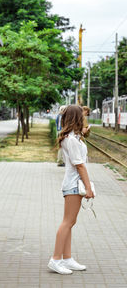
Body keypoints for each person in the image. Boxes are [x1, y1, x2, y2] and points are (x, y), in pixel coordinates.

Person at [48, 105, 94, 275]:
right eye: (82, 115)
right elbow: (80, 165)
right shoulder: (71, 139)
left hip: (74, 183)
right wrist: (88, 187)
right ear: (76, 118)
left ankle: (66, 259)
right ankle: (55, 259)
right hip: (74, 184)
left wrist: (83, 133)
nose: (84, 118)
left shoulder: (74, 137)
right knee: (67, 222)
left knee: (70, 222)